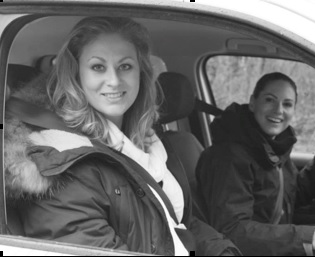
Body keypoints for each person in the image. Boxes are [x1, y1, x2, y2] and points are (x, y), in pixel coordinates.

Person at [4, 17, 241, 256]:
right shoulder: (60, 163)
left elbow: (177, 224)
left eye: (125, 66)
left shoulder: (147, 144)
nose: (114, 81)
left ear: (141, 73)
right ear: (76, 75)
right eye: (98, 67)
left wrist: (224, 251)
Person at [196, 72, 315, 256]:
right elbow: (232, 230)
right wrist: (307, 237)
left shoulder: (272, 147)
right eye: (270, 100)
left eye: (287, 104)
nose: (278, 110)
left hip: (271, 244)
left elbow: (291, 195)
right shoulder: (229, 156)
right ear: (253, 103)